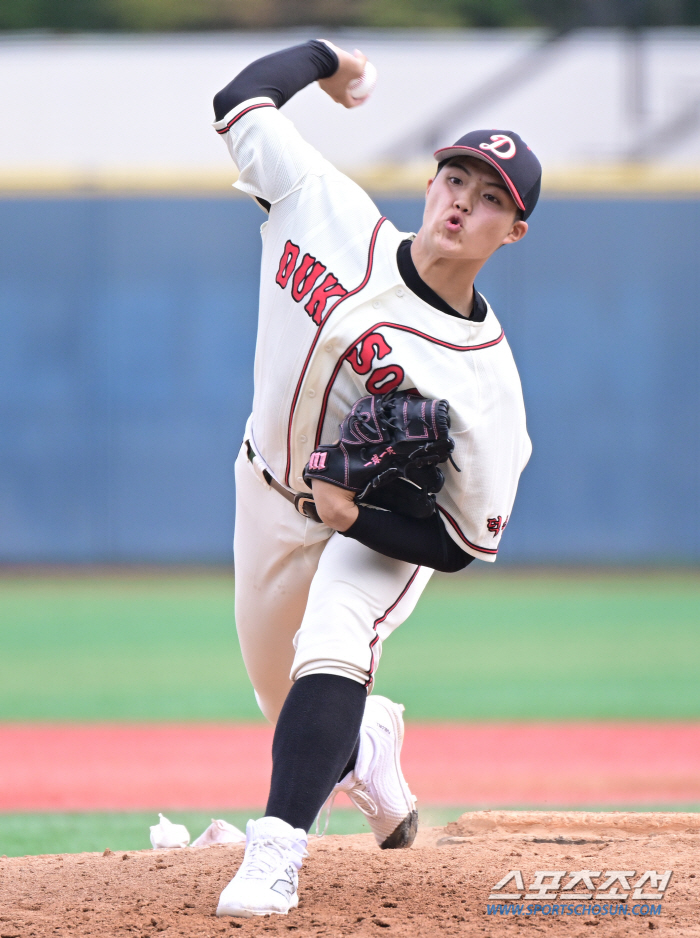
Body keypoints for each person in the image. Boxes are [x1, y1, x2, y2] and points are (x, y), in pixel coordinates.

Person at [210, 39, 541, 919]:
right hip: (264, 489)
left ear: (513, 231)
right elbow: (239, 102)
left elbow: (462, 543)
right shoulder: (324, 205)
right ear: (431, 184)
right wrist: (329, 60)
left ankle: (277, 852)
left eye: (491, 201)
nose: (463, 205)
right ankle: (371, 744)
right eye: (456, 181)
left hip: (378, 532)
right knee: (285, 701)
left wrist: (353, 519)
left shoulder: (485, 385)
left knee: (335, 634)